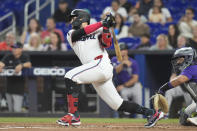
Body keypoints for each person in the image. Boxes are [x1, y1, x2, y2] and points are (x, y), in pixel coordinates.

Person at [56, 9, 164, 128]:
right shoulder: (71, 33)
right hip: (94, 70)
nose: (71, 21)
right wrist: (103, 23)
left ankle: (73, 115)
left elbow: (107, 43)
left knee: (70, 76)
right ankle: (152, 113)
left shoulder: (99, 29)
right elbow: (82, 32)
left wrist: (106, 27)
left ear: (81, 18)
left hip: (100, 64)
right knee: (117, 104)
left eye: (73, 18)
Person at [156, 47, 197, 126]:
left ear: (188, 58)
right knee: (184, 116)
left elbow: (178, 80)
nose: (177, 62)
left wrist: (162, 89)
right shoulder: (190, 68)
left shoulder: (192, 68)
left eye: (180, 59)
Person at [111, 43, 143, 118]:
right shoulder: (114, 59)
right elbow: (114, 72)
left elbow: (135, 78)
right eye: (120, 50)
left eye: (124, 50)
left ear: (127, 51)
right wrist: (122, 63)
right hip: (123, 87)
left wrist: (123, 85)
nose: (122, 52)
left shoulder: (133, 62)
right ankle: (126, 117)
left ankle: (140, 119)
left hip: (134, 86)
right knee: (123, 95)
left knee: (139, 104)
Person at [0, 42, 32, 112]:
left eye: (16, 48)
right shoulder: (8, 56)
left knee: (17, 110)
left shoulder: (24, 56)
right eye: (13, 48)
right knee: (10, 110)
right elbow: (1, 63)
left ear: (20, 49)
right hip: (9, 86)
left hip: (18, 87)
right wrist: (0, 66)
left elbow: (29, 64)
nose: (14, 50)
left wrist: (21, 65)